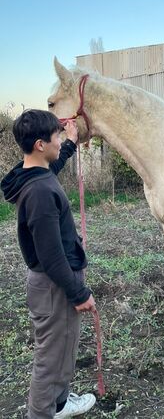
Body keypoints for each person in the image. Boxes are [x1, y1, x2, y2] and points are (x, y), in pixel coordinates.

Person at [1, 110, 96, 419]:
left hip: (54, 284)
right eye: (56, 138)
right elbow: (52, 257)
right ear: (41, 144)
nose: (59, 142)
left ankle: (59, 403)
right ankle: (41, 414)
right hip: (55, 285)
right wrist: (79, 293)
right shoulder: (40, 192)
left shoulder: (33, 173)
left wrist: (69, 142)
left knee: (63, 348)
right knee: (50, 358)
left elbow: (53, 165)